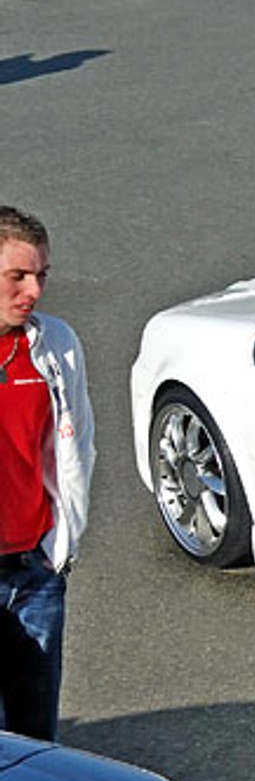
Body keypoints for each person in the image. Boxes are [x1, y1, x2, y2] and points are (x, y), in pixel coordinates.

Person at [1, 207, 94, 743]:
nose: (33, 290)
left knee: (37, 739)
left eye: (41, 275)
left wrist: (59, 547)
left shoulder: (53, 344)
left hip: (34, 573)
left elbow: (78, 441)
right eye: (17, 276)